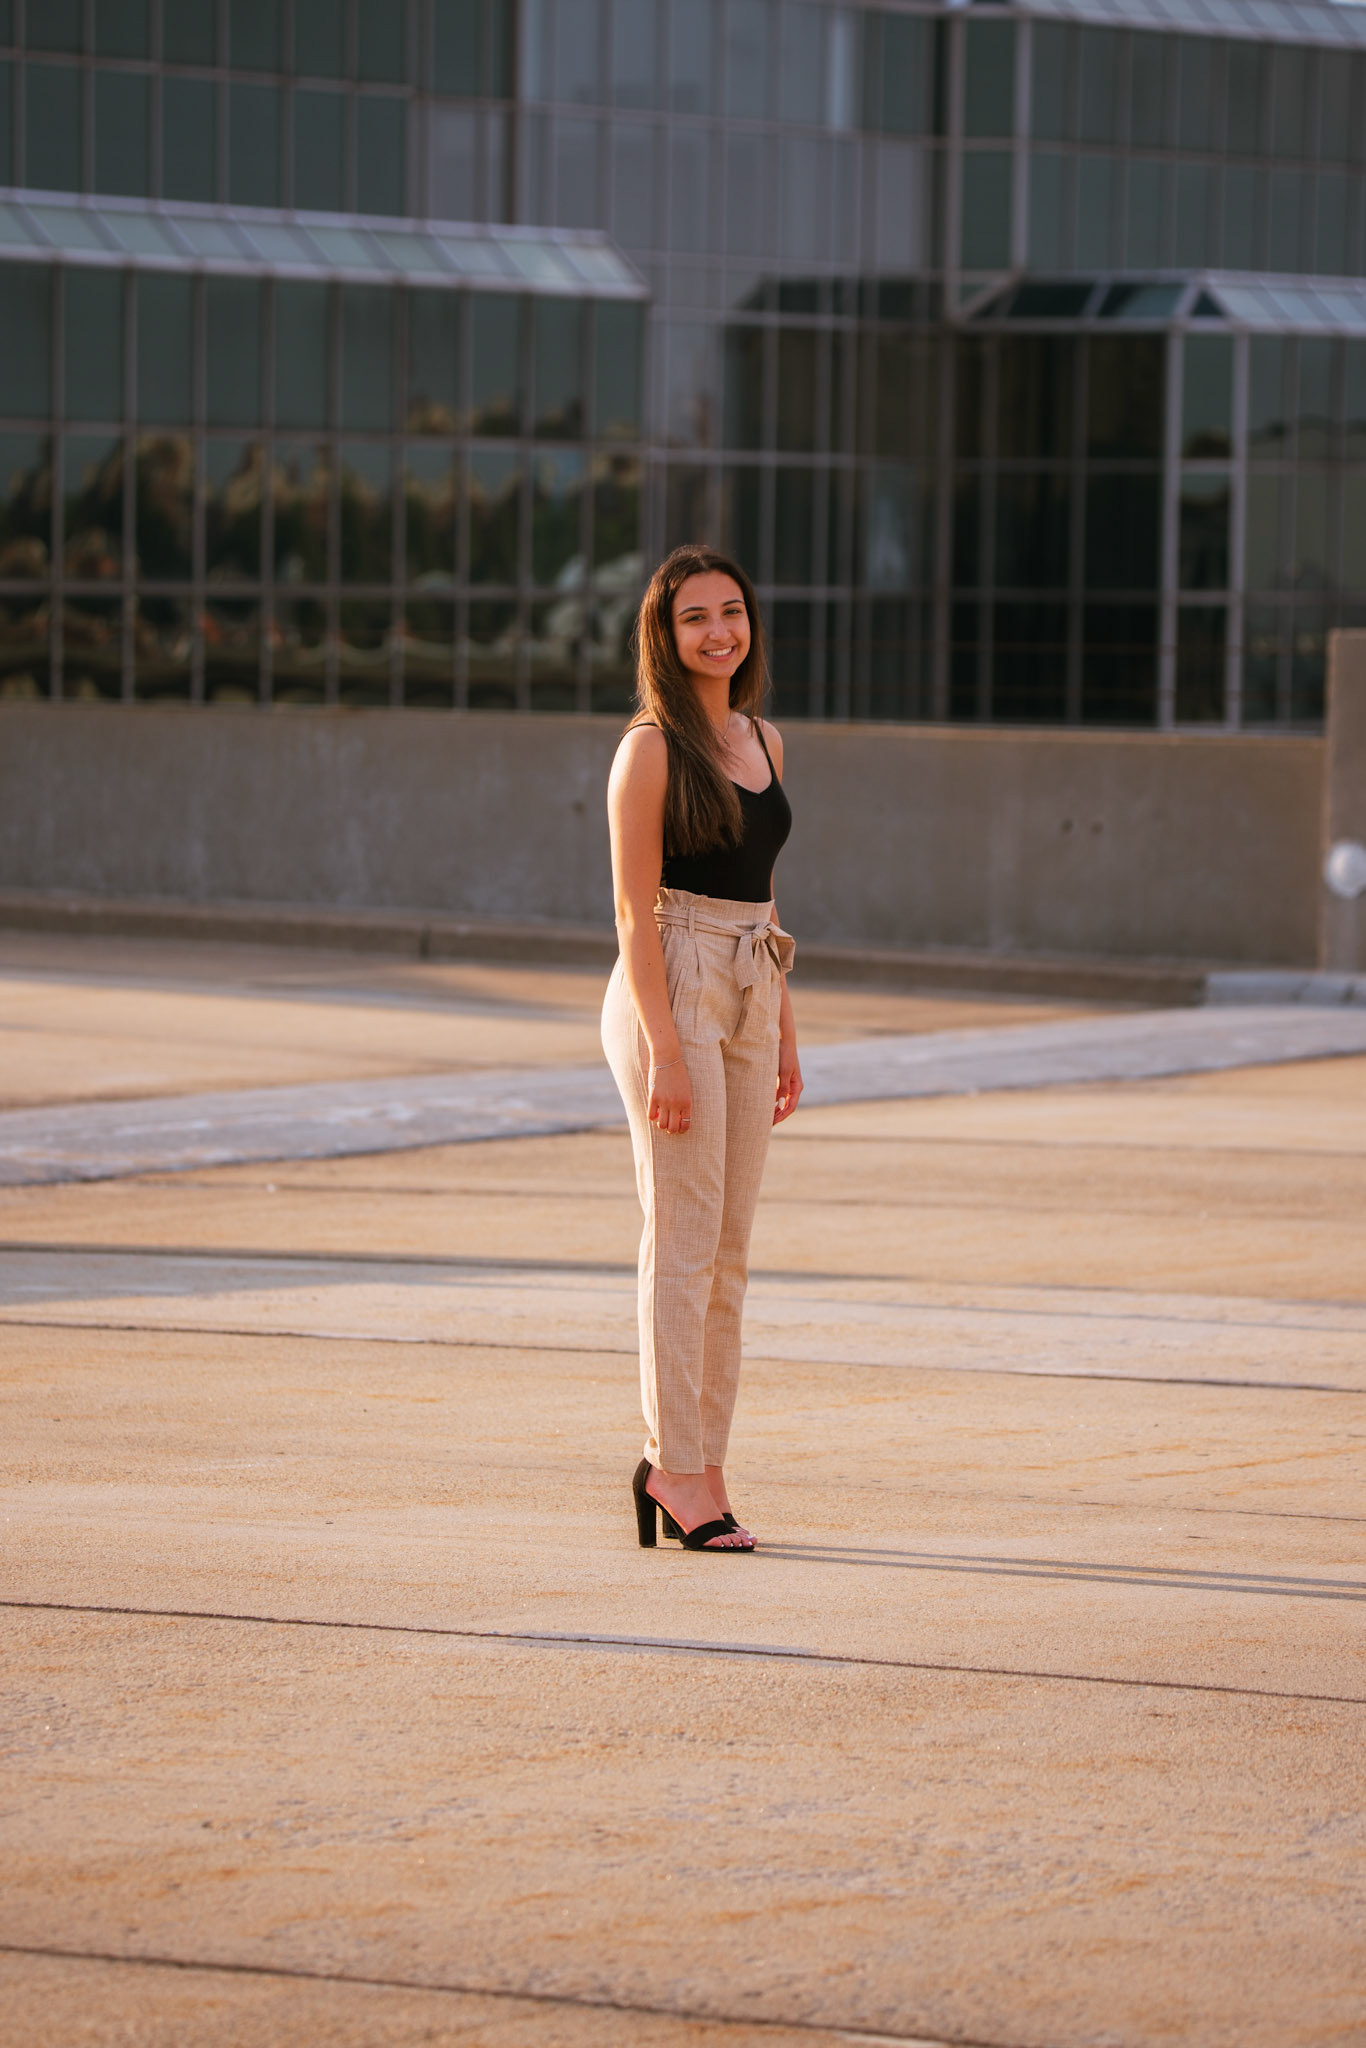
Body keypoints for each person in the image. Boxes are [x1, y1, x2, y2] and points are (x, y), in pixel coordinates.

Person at [602, 545, 802, 1554]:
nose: (718, 631)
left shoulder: (763, 738)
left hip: (752, 976)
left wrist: (785, 1029)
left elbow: (765, 892)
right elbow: (632, 911)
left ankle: (703, 1461)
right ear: (664, 634)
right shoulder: (649, 749)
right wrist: (665, 1052)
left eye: (731, 611)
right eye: (694, 617)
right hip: (672, 980)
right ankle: (673, 1464)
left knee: (728, 1252)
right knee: (681, 1243)